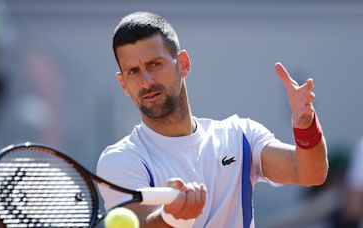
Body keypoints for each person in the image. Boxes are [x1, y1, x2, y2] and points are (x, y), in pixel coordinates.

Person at [97, 11, 328, 228]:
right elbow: (140, 222)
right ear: (123, 83)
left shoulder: (240, 135)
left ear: (184, 64)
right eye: (133, 71)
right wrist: (172, 217)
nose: (146, 81)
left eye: (154, 65)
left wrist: (305, 125)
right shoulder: (119, 159)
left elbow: (310, 173)